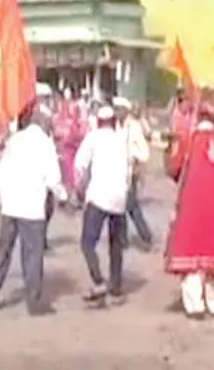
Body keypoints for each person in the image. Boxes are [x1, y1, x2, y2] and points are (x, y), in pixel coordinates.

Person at [0, 101, 65, 316]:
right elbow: (53, 178)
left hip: (10, 204)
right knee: (32, 255)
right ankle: (34, 302)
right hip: (32, 206)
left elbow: (3, 169)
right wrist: (62, 196)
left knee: (2, 252)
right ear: (43, 122)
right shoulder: (45, 144)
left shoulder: (15, 140)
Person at [164, 117, 214, 319]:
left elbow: (173, 169)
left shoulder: (188, 141)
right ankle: (213, 301)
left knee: (192, 253)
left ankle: (195, 304)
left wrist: (170, 147)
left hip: (192, 204)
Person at [73, 104, 132, 304]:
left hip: (98, 195)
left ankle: (98, 280)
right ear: (113, 122)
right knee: (116, 245)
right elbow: (128, 171)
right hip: (119, 197)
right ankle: (116, 286)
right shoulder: (120, 140)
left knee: (87, 242)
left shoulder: (93, 137)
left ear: (98, 122)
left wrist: (78, 189)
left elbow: (79, 165)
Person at [115, 98, 154, 250]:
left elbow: (144, 151)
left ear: (126, 111)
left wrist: (137, 161)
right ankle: (122, 238)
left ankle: (145, 235)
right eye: (115, 109)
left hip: (130, 171)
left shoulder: (134, 127)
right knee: (120, 206)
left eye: (119, 109)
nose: (117, 112)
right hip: (117, 171)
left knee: (131, 206)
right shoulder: (115, 126)